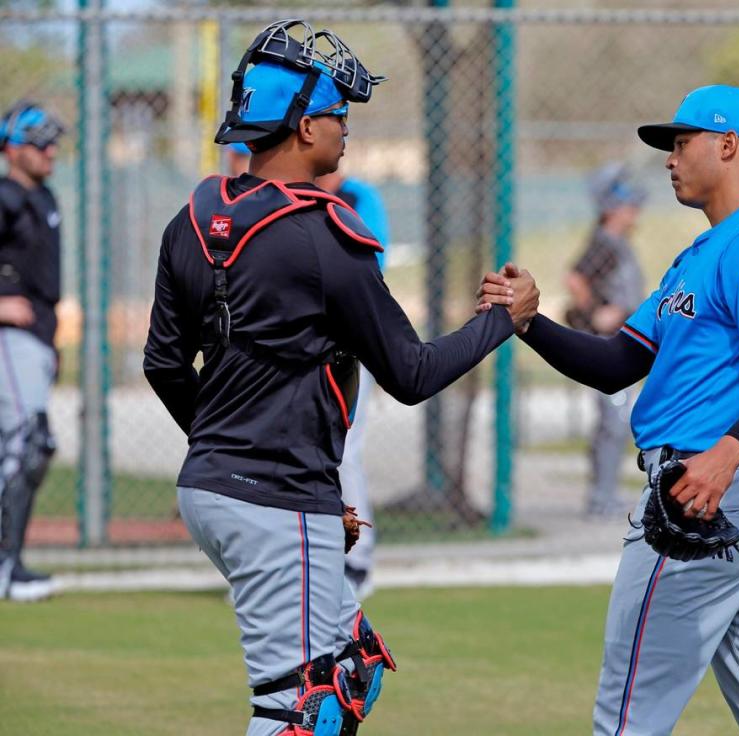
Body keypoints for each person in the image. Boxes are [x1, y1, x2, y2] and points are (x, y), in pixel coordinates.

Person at [143, 19, 537, 735]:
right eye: (333, 114)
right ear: (299, 128)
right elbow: (411, 373)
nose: (344, 129)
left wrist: (246, 465)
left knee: (350, 668)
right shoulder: (327, 235)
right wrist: (503, 320)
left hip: (220, 489)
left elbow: (163, 365)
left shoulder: (193, 216)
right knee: (297, 708)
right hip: (272, 497)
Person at [478, 85, 739, 735]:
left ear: (727, 146)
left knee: (628, 711)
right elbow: (616, 362)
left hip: (704, 488)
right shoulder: (697, 257)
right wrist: (530, 322)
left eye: (682, 141)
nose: (669, 158)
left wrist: (724, 456)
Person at [0, 100, 65, 603]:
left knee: (26, 449)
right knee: (28, 446)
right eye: (40, 141)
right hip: (10, 339)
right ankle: (6, 566)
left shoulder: (42, 197)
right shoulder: (5, 196)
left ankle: (10, 563)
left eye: (53, 141)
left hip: (37, 338)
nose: (51, 150)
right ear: (12, 148)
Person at [315, 169, 390, 599]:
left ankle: (357, 562)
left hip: (352, 342)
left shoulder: (357, 197)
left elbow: (368, 268)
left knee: (345, 454)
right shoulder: (290, 197)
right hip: (311, 344)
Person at [565, 163, 646, 517]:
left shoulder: (616, 243)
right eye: (628, 206)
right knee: (613, 421)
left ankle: (604, 493)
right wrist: (598, 311)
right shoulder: (604, 243)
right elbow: (575, 279)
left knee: (615, 422)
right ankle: (602, 496)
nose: (634, 213)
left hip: (620, 346)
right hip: (607, 345)